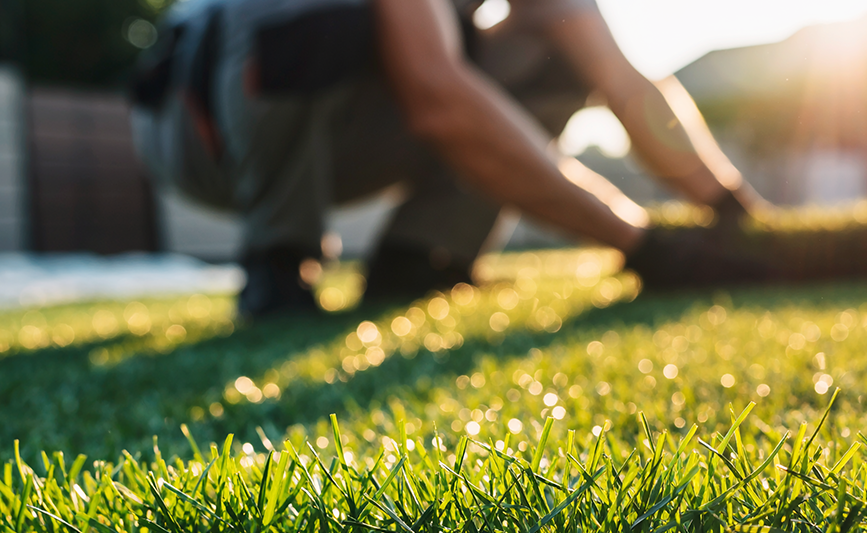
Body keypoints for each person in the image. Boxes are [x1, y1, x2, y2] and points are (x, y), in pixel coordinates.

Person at [131, 0, 765, 317]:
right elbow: (439, 99)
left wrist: (729, 207)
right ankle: (277, 261)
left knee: (552, 59)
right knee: (318, 11)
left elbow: (623, 81)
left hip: (340, 124)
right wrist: (640, 243)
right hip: (191, 121)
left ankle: (421, 257)